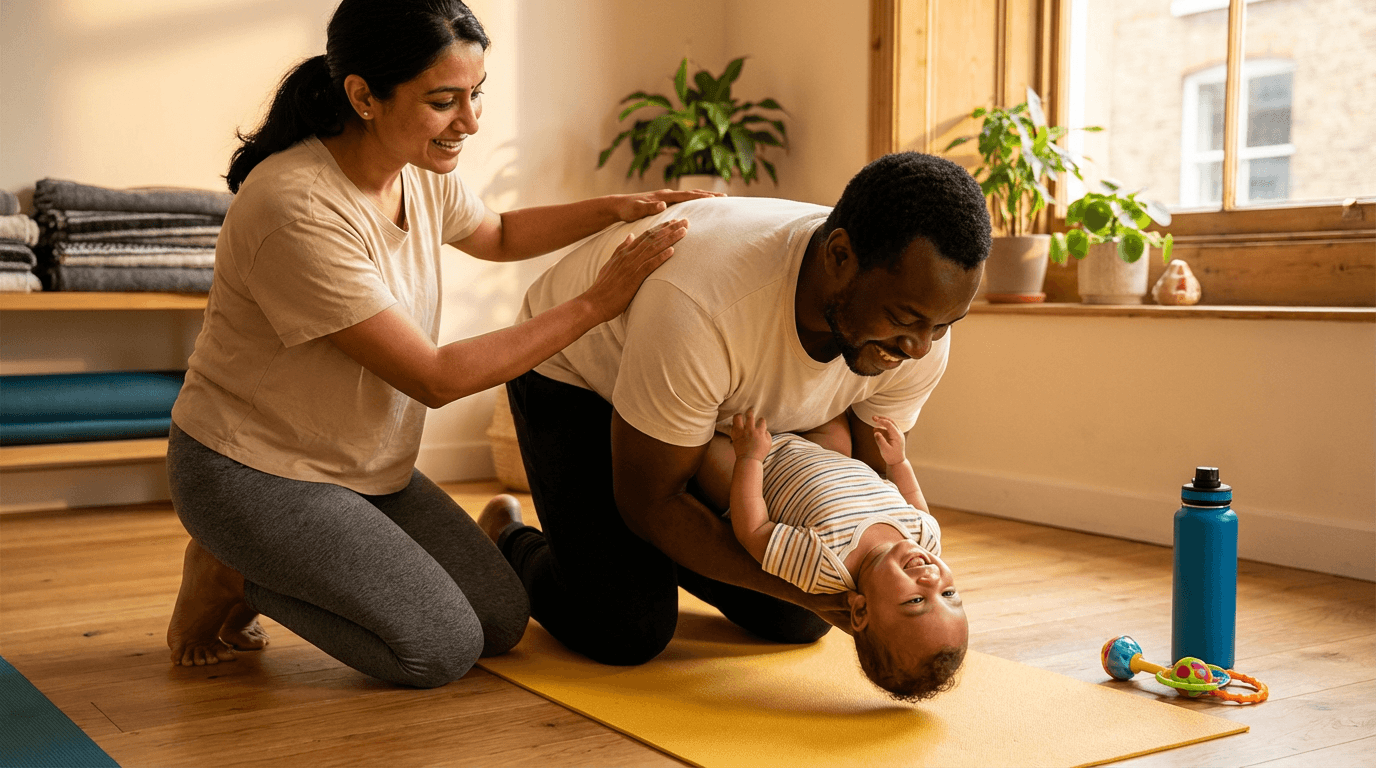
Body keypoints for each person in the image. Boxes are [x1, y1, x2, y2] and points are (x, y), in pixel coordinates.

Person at [164, 0, 713, 688]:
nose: (471, 122)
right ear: (363, 95)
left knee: (501, 622)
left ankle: (292, 566)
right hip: (252, 473)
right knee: (438, 649)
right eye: (445, 101)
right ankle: (234, 572)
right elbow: (435, 377)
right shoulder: (295, 209)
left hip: (365, 468)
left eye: (475, 95)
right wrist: (599, 301)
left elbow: (502, 234)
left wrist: (620, 206)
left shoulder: (415, 170)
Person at [478, 151, 991, 666]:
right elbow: (650, 500)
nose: (921, 347)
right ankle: (508, 536)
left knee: (800, 620)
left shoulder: (918, 333)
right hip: (577, 375)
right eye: (906, 319)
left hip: (719, 421)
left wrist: (822, 590)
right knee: (627, 627)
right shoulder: (703, 303)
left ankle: (639, 556)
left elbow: (862, 479)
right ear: (839, 257)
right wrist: (797, 585)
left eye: (945, 325)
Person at [713, 409, 965, 700]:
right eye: (948, 594)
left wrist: (750, 458)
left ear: (860, 610)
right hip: (828, 453)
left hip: (761, 466)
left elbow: (754, 531)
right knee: (833, 425)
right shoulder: (926, 541)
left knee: (707, 451)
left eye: (916, 599)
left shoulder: (823, 567)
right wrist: (898, 462)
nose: (931, 579)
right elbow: (913, 501)